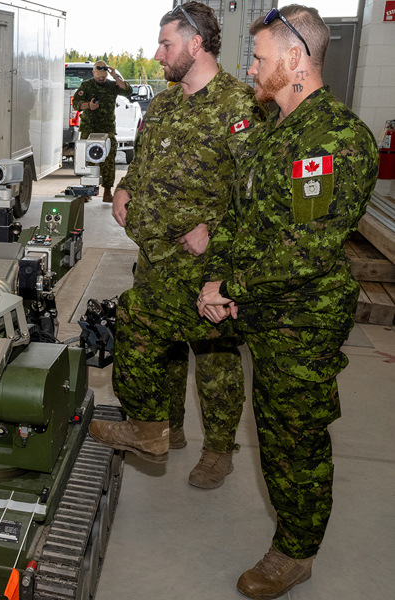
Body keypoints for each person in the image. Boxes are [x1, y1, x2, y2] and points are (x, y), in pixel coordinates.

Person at [197, 6, 378, 598]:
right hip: (261, 304)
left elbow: (306, 247)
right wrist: (215, 275)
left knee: (291, 436)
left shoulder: (335, 139)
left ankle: (295, 552)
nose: (250, 70)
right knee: (267, 424)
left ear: (294, 61)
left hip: (303, 319)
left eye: (259, 59)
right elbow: (243, 218)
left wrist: (232, 288)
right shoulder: (275, 127)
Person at [87, 2, 264, 489]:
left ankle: (219, 450)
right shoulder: (163, 104)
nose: (158, 54)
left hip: (208, 265)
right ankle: (164, 428)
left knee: (216, 362)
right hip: (155, 258)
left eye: (166, 44)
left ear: (195, 44)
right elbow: (142, 161)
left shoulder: (240, 106)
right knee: (157, 348)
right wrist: (123, 187)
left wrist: (215, 231)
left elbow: (257, 199)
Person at [70, 59, 132, 203]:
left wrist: (116, 76)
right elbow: (76, 104)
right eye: (98, 76)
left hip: (107, 129)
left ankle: (107, 191)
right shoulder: (86, 86)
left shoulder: (112, 85)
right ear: (93, 73)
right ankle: (87, 190)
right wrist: (88, 105)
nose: (101, 78)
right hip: (89, 128)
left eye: (103, 76)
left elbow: (127, 90)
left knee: (109, 161)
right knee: (87, 160)